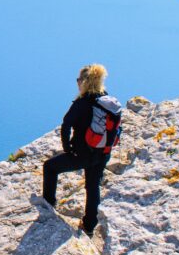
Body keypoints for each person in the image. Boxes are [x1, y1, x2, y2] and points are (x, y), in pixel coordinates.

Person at [42, 63, 122, 236]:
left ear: (85, 81)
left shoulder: (82, 103)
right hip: (103, 154)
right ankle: (89, 226)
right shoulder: (106, 101)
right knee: (93, 186)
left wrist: (67, 149)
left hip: (82, 155)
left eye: (78, 79)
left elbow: (66, 126)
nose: (77, 82)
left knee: (50, 167)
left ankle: (47, 204)